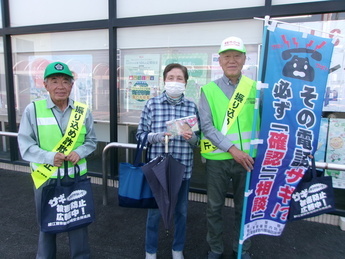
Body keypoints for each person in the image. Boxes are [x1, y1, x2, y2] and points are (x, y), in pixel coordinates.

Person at [18, 61, 97, 259]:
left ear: (72, 85)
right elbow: (26, 145)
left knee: (79, 224)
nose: (60, 86)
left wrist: (80, 151)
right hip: (45, 178)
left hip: (77, 178)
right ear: (45, 85)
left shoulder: (82, 110)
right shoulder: (32, 110)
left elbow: (91, 141)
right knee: (47, 224)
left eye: (65, 81)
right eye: (54, 81)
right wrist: (49, 157)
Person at [199, 36, 259, 259]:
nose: (231, 60)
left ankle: (242, 248)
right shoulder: (208, 90)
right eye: (227, 56)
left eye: (236, 55)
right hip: (218, 160)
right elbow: (206, 126)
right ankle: (215, 248)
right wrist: (233, 149)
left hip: (249, 160)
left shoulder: (255, 88)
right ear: (220, 61)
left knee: (244, 208)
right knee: (214, 207)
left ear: (244, 59)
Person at [136, 63, 200, 259]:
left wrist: (192, 138)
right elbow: (140, 135)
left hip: (183, 168)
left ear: (185, 83)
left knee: (181, 212)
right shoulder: (151, 104)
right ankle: (150, 251)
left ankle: (177, 249)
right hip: (159, 169)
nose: (175, 82)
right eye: (171, 78)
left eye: (179, 78)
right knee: (154, 213)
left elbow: (198, 142)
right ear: (164, 80)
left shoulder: (191, 106)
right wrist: (157, 136)